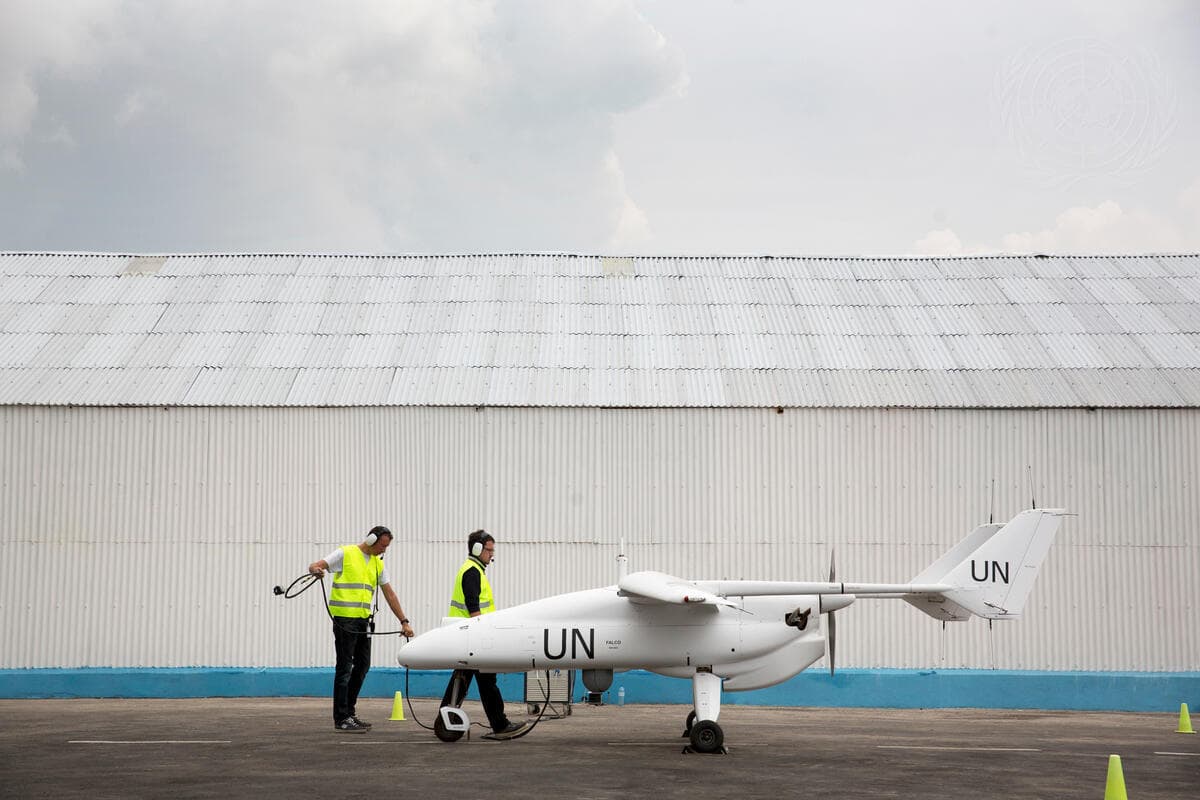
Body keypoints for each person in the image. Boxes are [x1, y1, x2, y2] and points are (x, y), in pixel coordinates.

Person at [308, 525, 414, 733]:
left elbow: (389, 594)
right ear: (371, 540)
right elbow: (315, 565)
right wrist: (316, 571)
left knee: (363, 665)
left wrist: (404, 620)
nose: (384, 550)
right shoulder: (346, 553)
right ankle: (341, 717)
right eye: (382, 546)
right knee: (345, 667)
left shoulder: (377, 563)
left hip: (363, 621)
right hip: (344, 621)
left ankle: (349, 712)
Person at [440, 529, 529, 740]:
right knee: (486, 682)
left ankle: (444, 722)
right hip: (474, 637)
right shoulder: (472, 572)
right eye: (489, 550)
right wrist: (484, 635)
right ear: (477, 549)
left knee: (462, 680)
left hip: (469, 636)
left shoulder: (474, 570)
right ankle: (500, 725)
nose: (492, 555)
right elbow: (474, 609)